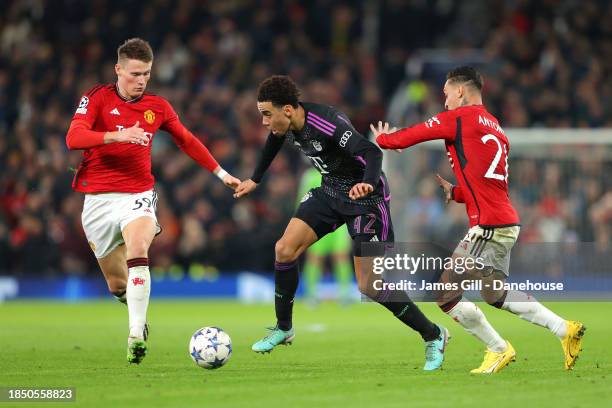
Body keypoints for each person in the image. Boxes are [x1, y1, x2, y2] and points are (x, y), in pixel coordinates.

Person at [374, 66, 585, 373]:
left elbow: (409, 137)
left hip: (488, 226)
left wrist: (384, 139)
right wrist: (459, 193)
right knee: (495, 293)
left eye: (446, 94)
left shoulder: (458, 118)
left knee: (445, 293)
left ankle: (498, 348)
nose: (444, 102)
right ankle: (564, 329)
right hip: (505, 221)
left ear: (460, 91)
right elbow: (490, 183)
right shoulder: (496, 127)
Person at [234, 75, 449, 370]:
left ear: (287, 110)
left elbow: (371, 152)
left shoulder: (327, 122)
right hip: (331, 191)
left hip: (366, 201)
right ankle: (284, 328)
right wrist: (255, 179)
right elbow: (273, 141)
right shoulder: (287, 125)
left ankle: (433, 334)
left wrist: (368, 185)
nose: (263, 122)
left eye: (266, 114)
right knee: (284, 249)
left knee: (370, 285)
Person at [65, 38, 240, 364]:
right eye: (134, 74)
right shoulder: (96, 98)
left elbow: (186, 140)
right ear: (118, 70)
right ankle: (132, 307)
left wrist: (220, 173)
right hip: (98, 201)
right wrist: (117, 135)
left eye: (146, 73)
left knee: (138, 248)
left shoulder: (157, 106)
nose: (141, 80)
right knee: (118, 286)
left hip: (138, 195)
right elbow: (73, 138)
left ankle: (135, 334)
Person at [296, 167, 352, 306]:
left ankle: (345, 294)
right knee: (315, 258)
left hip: (340, 222)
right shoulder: (309, 176)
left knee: (341, 256)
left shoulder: (341, 172)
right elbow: (302, 200)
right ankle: (311, 295)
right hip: (316, 222)